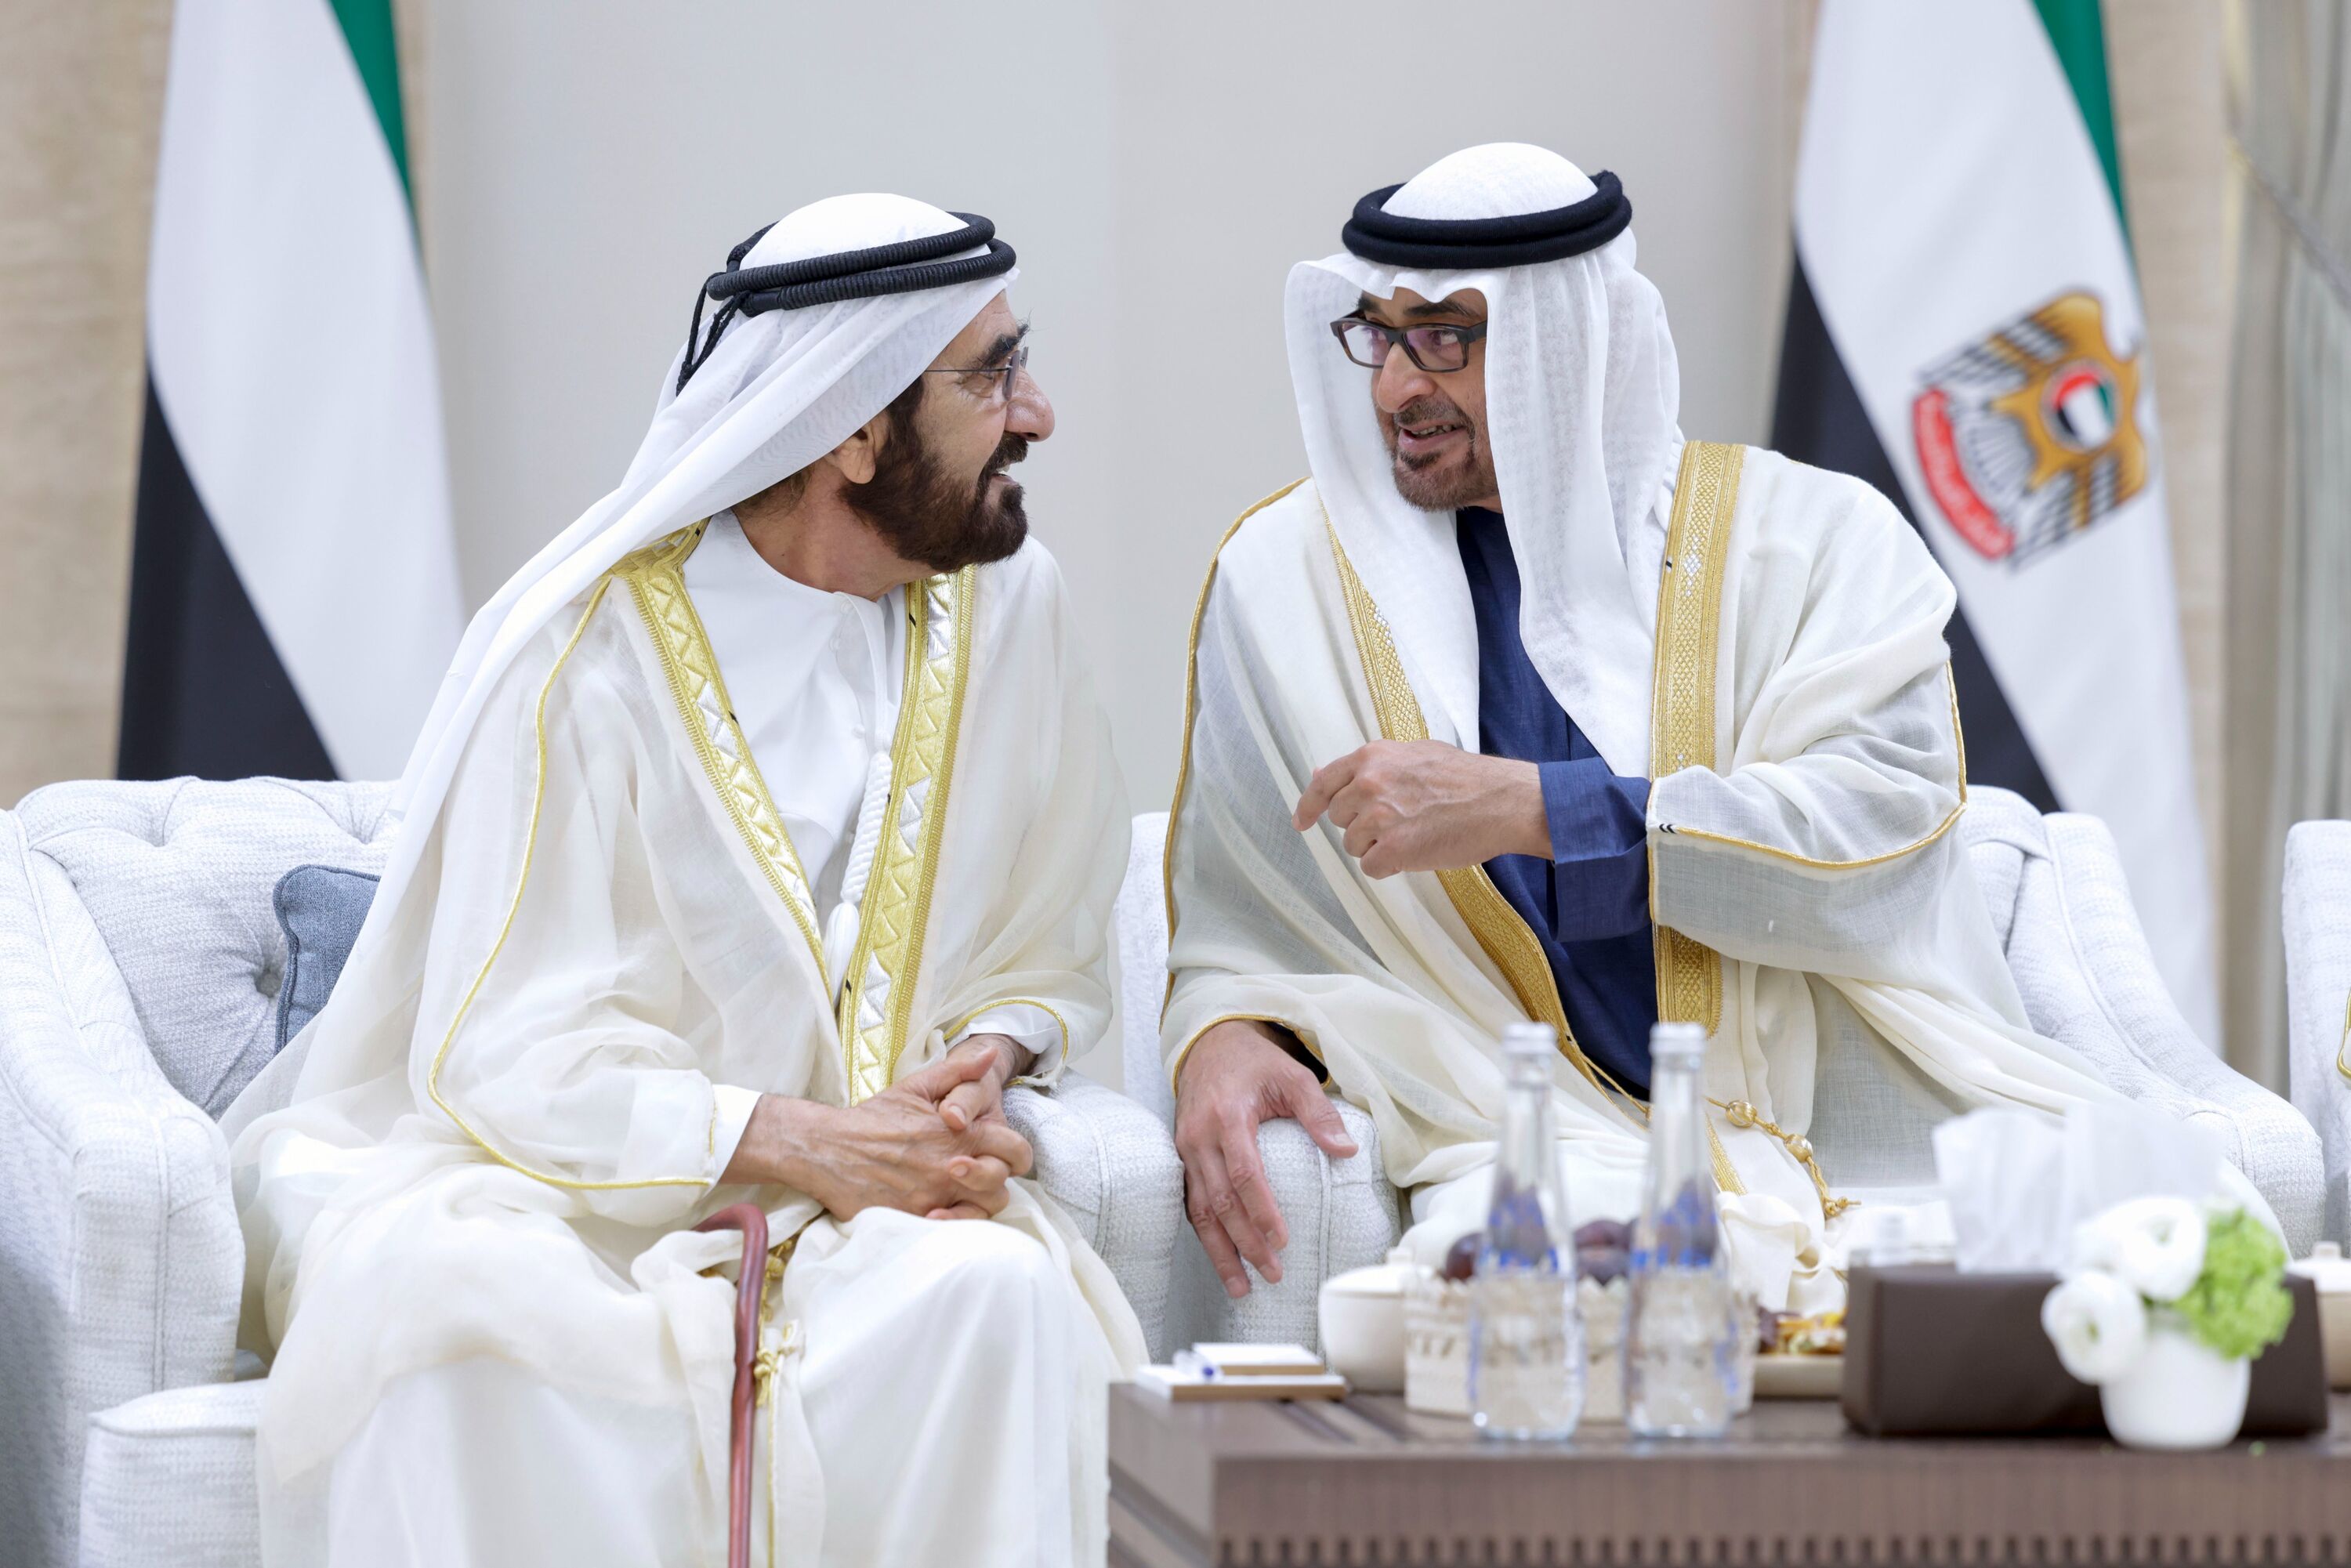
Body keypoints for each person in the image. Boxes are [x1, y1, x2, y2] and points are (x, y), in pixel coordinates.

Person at [1161, 143, 2272, 1316]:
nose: (1393, 387)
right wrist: (1224, 1028)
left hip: (1858, 1115)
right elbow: (1245, 907)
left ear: (1569, 345)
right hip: (1525, 1132)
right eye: (1378, 334)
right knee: (1560, 1304)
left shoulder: (1818, 544)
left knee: (2181, 1259)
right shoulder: (1287, 586)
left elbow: (1884, 830)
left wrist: (1537, 810)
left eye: (1445, 338)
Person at [228, 194, 1143, 1567]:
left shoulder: (1011, 607)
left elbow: (1048, 924)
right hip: (577, 1194)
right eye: (990, 375)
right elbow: (508, 1052)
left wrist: (987, 1057)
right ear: (854, 427)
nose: (1039, 413)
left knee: (998, 1295)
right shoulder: (584, 657)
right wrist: (797, 1137)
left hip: (880, 1201)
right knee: (446, 1297)